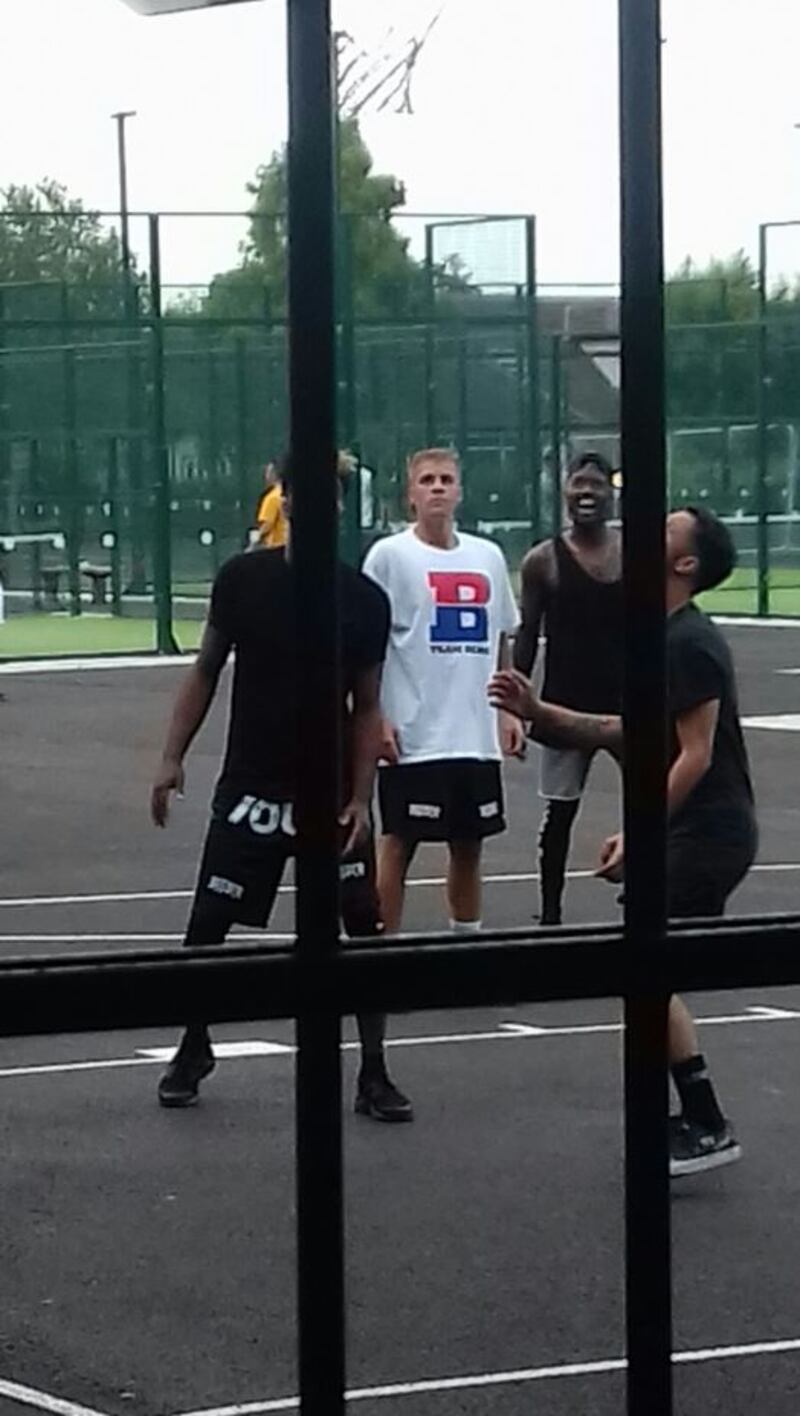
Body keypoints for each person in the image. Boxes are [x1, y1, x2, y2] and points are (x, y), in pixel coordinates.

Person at [490, 505, 757, 1177]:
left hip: (711, 831)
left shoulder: (688, 642)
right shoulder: (659, 637)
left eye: (664, 527)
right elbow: (622, 731)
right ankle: (697, 1116)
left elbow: (693, 755)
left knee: (646, 970)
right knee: (647, 972)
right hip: (691, 830)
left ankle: (706, 1122)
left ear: (686, 564)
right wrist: (538, 711)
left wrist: (641, 832)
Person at [151, 454, 412, 1123]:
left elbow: (367, 705)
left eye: (334, 497)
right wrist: (171, 757)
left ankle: (374, 1071)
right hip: (253, 785)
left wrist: (359, 797)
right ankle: (193, 1045)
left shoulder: (361, 599)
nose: (321, 506)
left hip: (329, 793)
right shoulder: (243, 581)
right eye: (310, 494)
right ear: (286, 500)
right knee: (208, 925)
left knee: (363, 924)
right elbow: (206, 670)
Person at [362, 447, 523, 938]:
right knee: (399, 841)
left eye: (446, 480)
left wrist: (510, 711)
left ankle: (465, 944)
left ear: (459, 491)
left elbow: (501, 637)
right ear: (410, 495)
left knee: (470, 844)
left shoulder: (487, 556)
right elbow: (368, 642)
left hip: (473, 734)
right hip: (414, 732)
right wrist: (377, 717)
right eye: (427, 480)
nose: (437, 488)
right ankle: (382, 952)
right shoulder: (389, 557)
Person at [514, 452, 623, 925]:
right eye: (578, 484)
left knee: (656, 804)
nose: (587, 493)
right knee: (559, 816)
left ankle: (649, 900)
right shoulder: (543, 561)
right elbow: (526, 635)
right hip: (561, 707)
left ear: (611, 493)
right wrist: (515, 706)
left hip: (626, 708)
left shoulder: (635, 553)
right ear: (563, 492)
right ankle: (550, 915)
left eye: (596, 485)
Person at [254, 462, 288, 549]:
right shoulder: (288, 494)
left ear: (274, 474)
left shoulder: (272, 497)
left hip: (276, 547)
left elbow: (267, 524)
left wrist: (255, 541)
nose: (265, 476)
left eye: (267, 473)